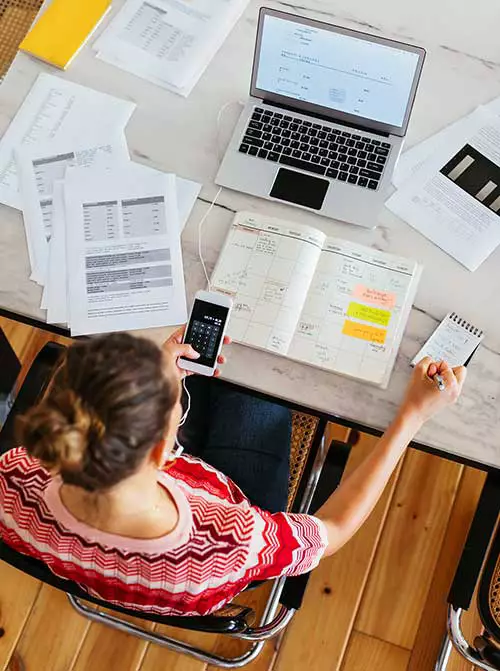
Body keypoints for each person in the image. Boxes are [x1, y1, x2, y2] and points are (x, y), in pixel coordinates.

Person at [0, 328, 466, 617]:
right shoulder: (233, 540)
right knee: (265, 373)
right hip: (206, 543)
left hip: (124, 558)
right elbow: (334, 530)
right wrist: (411, 417)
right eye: (173, 403)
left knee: (237, 374)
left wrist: (161, 379)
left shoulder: (15, 477)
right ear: (167, 448)